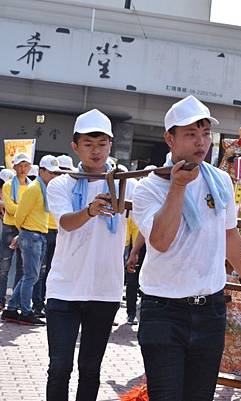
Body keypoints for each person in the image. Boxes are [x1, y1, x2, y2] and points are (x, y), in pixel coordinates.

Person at [131, 95, 241, 401]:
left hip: (210, 310)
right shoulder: (149, 187)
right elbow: (160, 241)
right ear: (170, 138)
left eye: (206, 133)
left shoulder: (220, 180)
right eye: (191, 134)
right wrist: (178, 187)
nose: (201, 142)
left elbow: (230, 235)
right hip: (164, 311)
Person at [45, 109, 136, 401]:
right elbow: (65, 223)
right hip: (63, 288)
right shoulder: (62, 183)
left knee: (90, 367)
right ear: (75, 147)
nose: (96, 151)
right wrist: (90, 210)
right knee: (60, 366)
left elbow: (149, 216)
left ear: (111, 144)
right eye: (88, 144)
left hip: (104, 290)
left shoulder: (126, 182)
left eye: (101, 144)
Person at [1, 155, 60, 325]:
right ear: (41, 171)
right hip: (32, 235)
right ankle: (25, 311)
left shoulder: (43, 188)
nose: (53, 176)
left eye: (55, 173)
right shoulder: (35, 188)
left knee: (30, 276)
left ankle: (11, 309)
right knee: (31, 276)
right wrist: (24, 233)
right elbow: (19, 214)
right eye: (50, 172)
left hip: (37, 234)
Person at [0, 153, 30, 312]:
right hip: (10, 228)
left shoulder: (32, 186)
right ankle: (1, 300)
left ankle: (15, 303)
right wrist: (27, 211)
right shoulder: (8, 185)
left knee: (22, 267)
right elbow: (10, 209)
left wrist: (25, 212)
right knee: (4, 267)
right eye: (20, 165)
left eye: (26, 165)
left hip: (26, 228)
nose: (23, 169)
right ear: (15, 167)